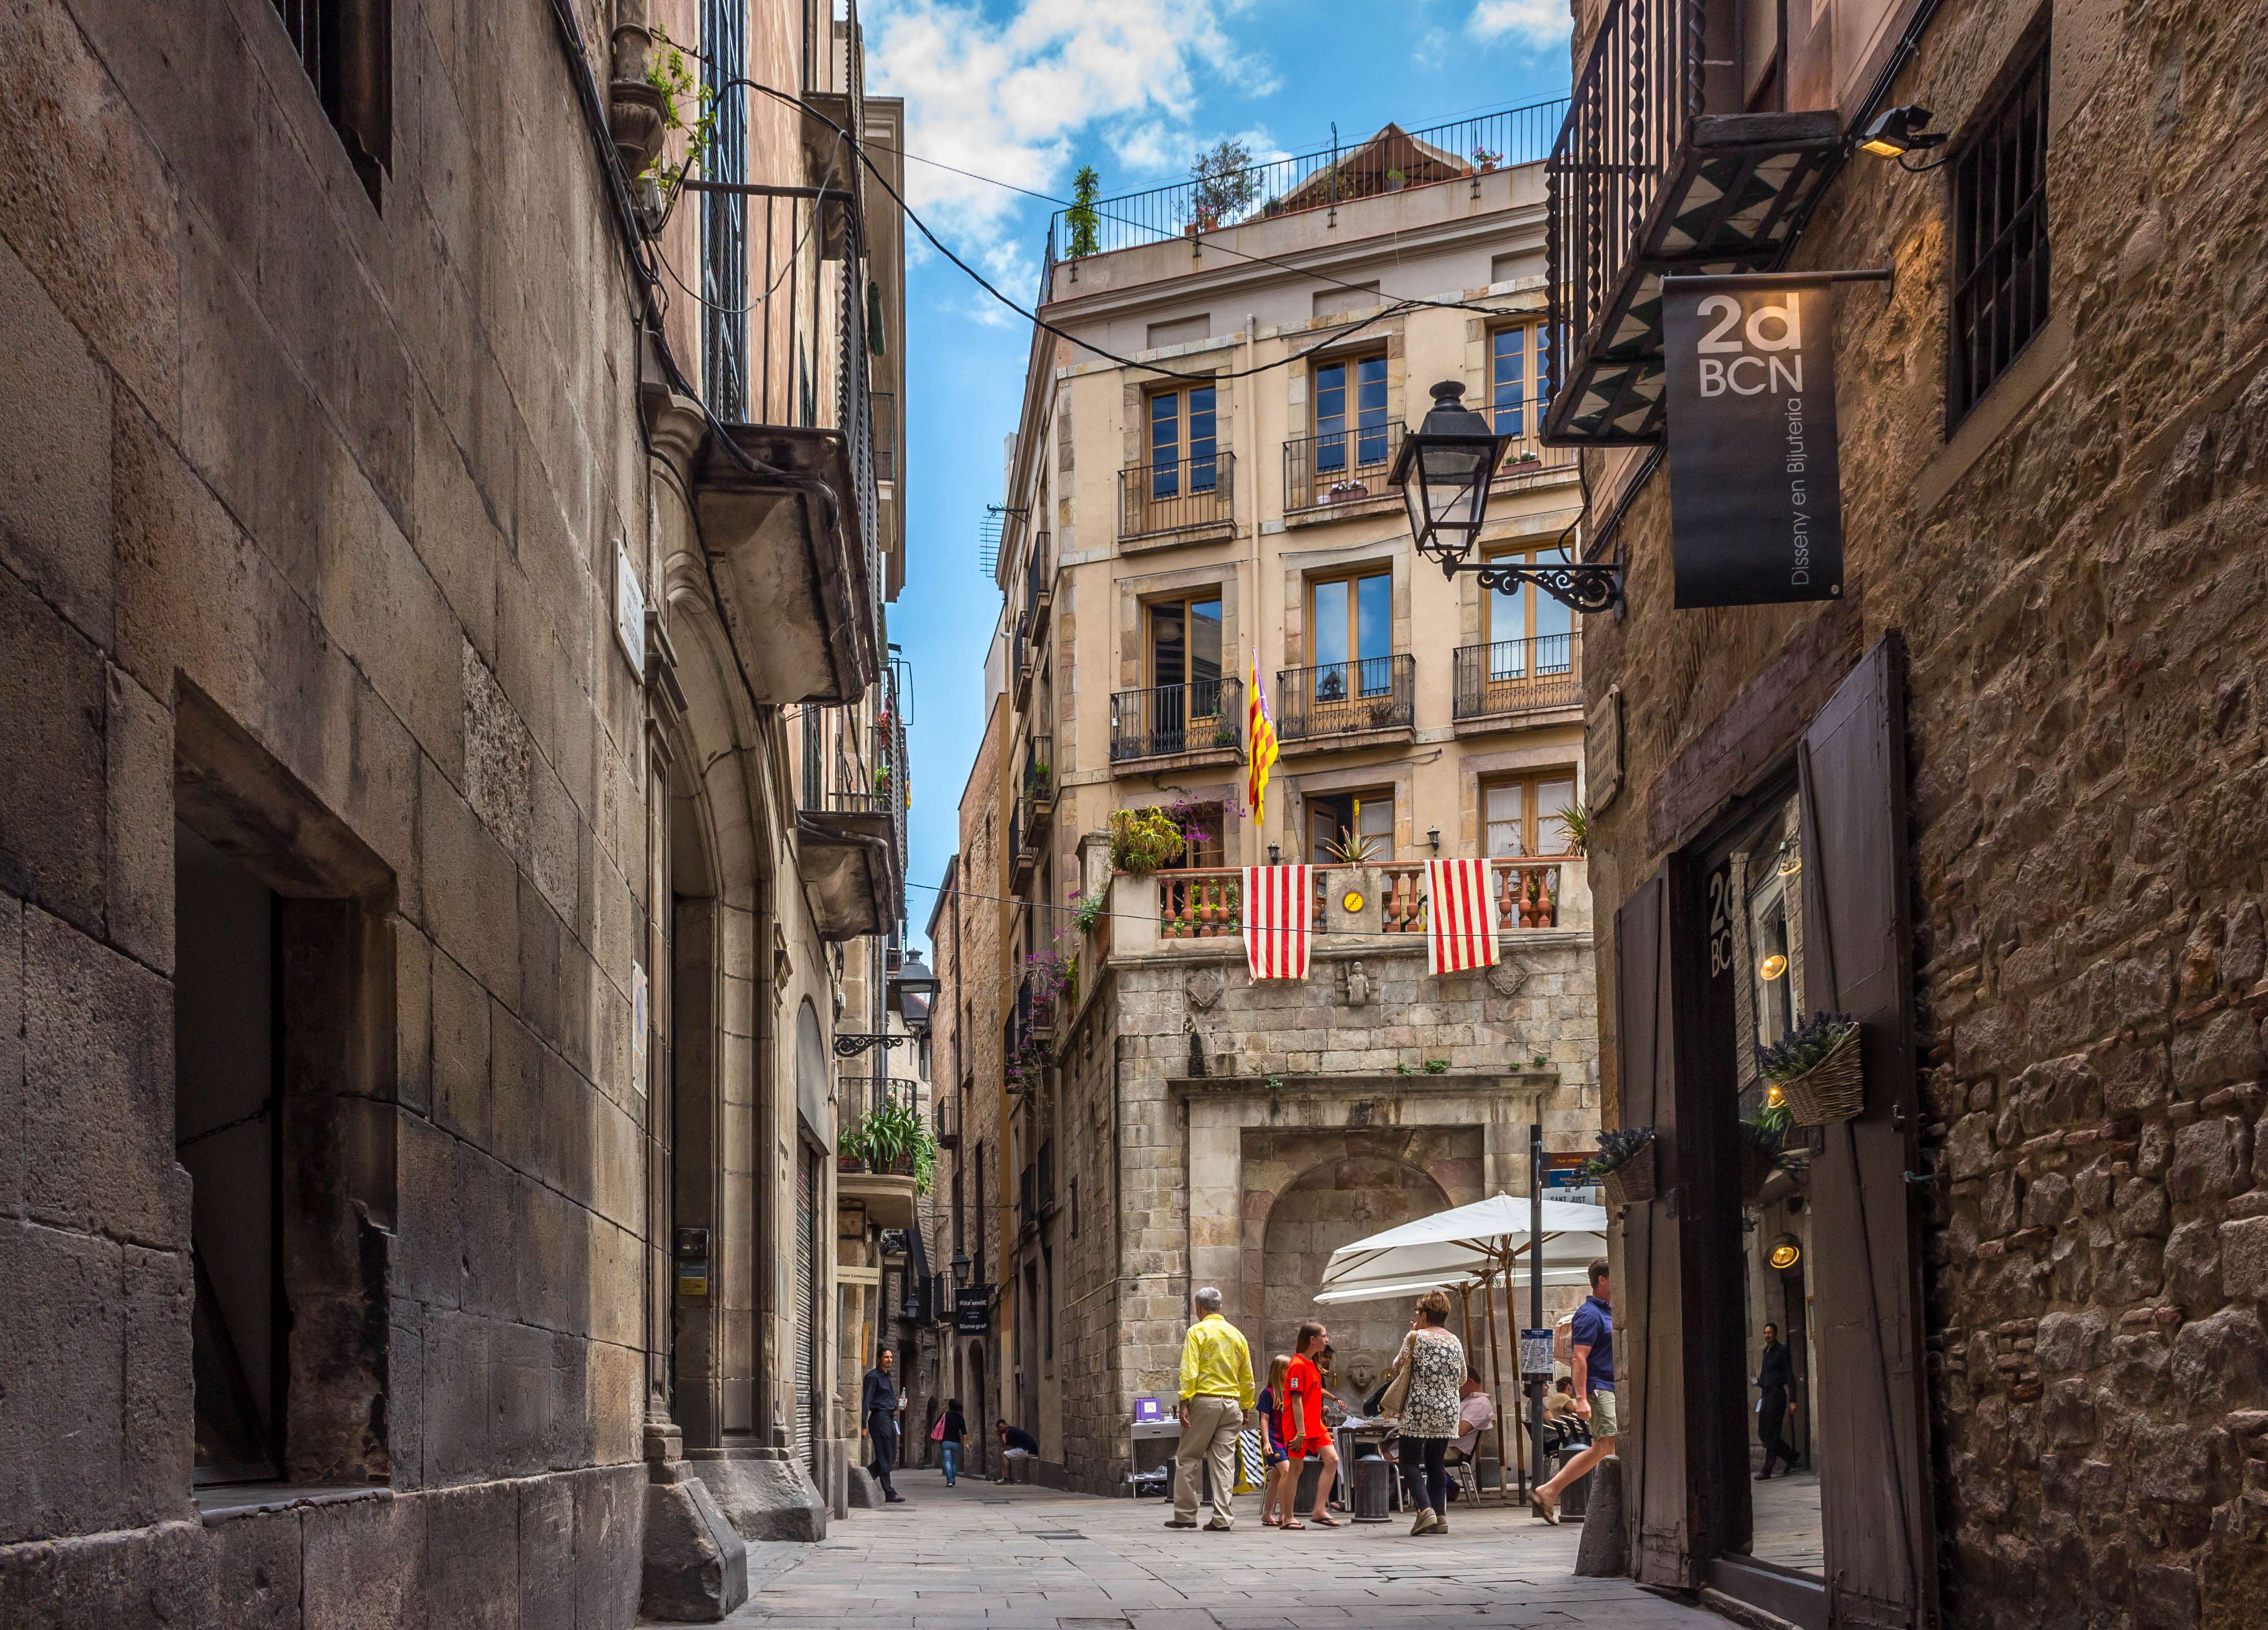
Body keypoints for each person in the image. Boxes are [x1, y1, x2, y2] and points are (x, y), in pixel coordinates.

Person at [1167, 1286, 1255, 1532]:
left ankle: (1185, 1515)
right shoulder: (1237, 1335)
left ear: (1199, 1308)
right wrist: (1247, 1406)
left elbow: (1189, 1370)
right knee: (1224, 1463)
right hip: (1232, 1404)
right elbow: (1247, 1377)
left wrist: (1185, 1402)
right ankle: (1222, 1519)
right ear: (1221, 1306)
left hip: (1205, 1402)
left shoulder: (1197, 1332)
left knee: (1188, 1458)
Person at [1533, 1259, 1614, 1524]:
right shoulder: (1590, 1314)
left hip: (1612, 1388)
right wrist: (1581, 1398)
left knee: (1608, 1447)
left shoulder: (1610, 1312)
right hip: (1601, 1389)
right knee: (1606, 1446)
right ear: (1602, 1280)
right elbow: (1580, 1358)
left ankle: (1551, 1490)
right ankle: (1551, 1489)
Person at [1380, 1289, 1466, 1535]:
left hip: (1420, 1407)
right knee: (1436, 1462)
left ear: (1425, 1314)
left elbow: (1398, 1367)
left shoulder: (1415, 1337)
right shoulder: (1455, 1341)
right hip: (1448, 1410)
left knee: (1408, 1460)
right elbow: (1463, 1377)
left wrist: (1414, 1333)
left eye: (1419, 1312)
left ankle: (1425, 1510)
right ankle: (1440, 1517)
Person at [1282, 1321, 1342, 1529]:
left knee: (1332, 1459)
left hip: (1314, 1425)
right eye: (1324, 1336)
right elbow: (1296, 1401)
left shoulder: (1312, 1364)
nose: (1327, 1340)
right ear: (1312, 1340)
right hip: (1298, 1427)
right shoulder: (1298, 1364)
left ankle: (1319, 1509)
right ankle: (1288, 1517)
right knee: (1296, 1469)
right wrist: (1300, 1433)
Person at [1755, 1322, 1800, 1479]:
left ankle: (1768, 1468)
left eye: (1770, 1333)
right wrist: (1758, 1381)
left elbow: (1789, 1374)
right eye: (1765, 1333)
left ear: (1775, 1334)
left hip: (1777, 1395)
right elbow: (1766, 1374)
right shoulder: (1765, 1352)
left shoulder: (1782, 1351)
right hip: (1766, 1395)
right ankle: (1791, 1456)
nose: (1767, 1335)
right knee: (1763, 1432)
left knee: (1772, 1433)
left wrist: (1793, 1399)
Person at [860, 1349, 906, 1504]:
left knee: (891, 1455)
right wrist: (864, 1425)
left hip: (889, 1418)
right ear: (880, 1358)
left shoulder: (888, 1376)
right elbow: (866, 1401)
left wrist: (898, 1404)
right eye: (886, 1357)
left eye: (891, 1357)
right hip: (879, 1419)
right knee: (885, 1454)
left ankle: (864, 1478)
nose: (889, 1360)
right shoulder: (873, 1377)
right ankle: (889, 1492)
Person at [1444, 1368, 1495, 1501]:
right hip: (1444, 1444)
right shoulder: (1468, 1401)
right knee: (1388, 1449)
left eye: (1458, 1384)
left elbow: (1461, 1430)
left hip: (1452, 1449)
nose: (1456, 1388)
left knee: (1398, 1453)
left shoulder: (1480, 1404)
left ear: (1470, 1382)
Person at [1257, 1355, 1292, 1527]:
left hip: (1286, 1439)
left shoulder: (1288, 1393)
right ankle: (1284, 1514)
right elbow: (1264, 1419)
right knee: (1287, 1472)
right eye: (1288, 1369)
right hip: (1274, 1440)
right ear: (1279, 1372)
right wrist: (1266, 1442)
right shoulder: (1268, 1394)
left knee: (1277, 1476)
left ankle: (1267, 1514)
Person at [937, 1397, 967, 1487]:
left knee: (947, 1461)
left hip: (945, 1442)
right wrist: (967, 1443)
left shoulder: (944, 1415)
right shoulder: (960, 1418)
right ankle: (952, 1479)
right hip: (956, 1443)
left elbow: (937, 1426)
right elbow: (964, 1432)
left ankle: (950, 1481)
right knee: (954, 1462)